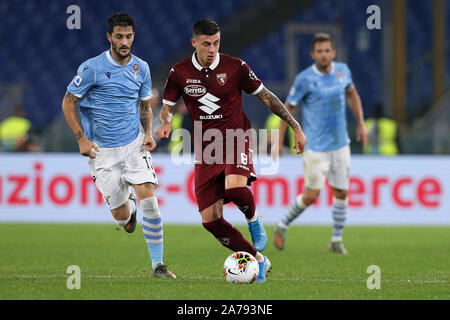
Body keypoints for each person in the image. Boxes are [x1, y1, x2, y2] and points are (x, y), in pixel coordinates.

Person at [156, 18, 306, 283]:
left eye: (216, 43)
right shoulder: (179, 72)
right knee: (210, 221)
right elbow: (167, 107)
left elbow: (266, 97)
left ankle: (253, 218)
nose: (212, 49)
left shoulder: (236, 67)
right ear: (194, 43)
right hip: (206, 149)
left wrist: (295, 126)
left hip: (237, 138)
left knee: (236, 188)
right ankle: (258, 260)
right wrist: (165, 124)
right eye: (206, 44)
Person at [61, 12, 175, 278]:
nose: (124, 42)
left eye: (129, 36)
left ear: (134, 36)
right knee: (122, 217)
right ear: (109, 37)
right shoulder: (92, 68)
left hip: (134, 144)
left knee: (150, 198)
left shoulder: (141, 68)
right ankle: (128, 212)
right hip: (102, 151)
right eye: (119, 37)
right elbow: (68, 102)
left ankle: (158, 265)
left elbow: (145, 105)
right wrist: (82, 139)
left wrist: (148, 133)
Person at [274, 33, 368, 254]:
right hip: (315, 147)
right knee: (312, 195)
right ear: (313, 54)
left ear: (333, 53)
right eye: (320, 51)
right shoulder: (305, 79)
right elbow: (287, 109)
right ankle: (283, 224)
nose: (324, 55)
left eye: (327, 50)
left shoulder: (342, 71)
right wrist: (278, 140)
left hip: (340, 144)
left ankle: (336, 240)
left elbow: (352, 94)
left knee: (342, 192)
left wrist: (361, 124)